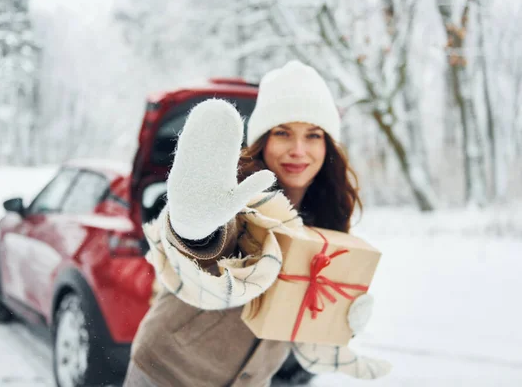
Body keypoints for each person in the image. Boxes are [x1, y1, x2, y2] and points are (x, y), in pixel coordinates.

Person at [123, 60, 390, 387]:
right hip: (169, 372)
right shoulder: (233, 193)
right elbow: (210, 250)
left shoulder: (326, 215)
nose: (298, 150)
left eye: (313, 135)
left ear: (328, 144)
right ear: (263, 139)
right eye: (283, 133)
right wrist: (196, 232)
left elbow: (301, 313)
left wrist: (338, 319)